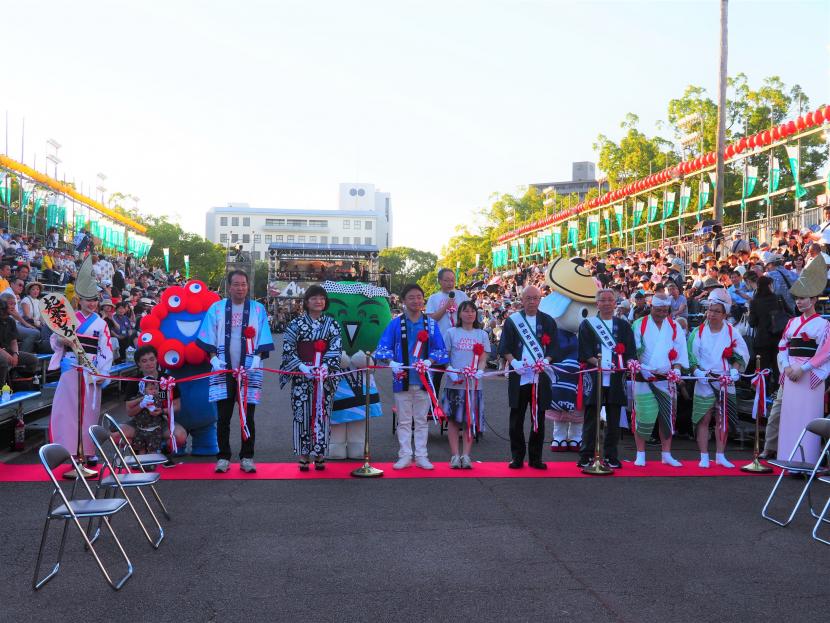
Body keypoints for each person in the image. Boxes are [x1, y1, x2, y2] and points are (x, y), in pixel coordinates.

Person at [196, 270, 275, 474]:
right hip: (223, 369)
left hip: (249, 370)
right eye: (236, 284)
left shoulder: (258, 309)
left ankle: (247, 456)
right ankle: (223, 457)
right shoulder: (217, 308)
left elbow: (263, 335)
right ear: (229, 287)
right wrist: (213, 358)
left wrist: (258, 356)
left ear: (248, 286)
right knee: (223, 416)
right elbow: (209, 334)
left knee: (248, 416)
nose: (240, 288)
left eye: (243, 284)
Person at [375, 283, 448, 470]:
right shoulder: (395, 324)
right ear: (403, 301)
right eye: (411, 297)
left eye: (419, 297)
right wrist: (392, 363)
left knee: (422, 420)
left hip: (424, 379)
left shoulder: (431, 324)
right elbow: (383, 348)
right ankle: (405, 455)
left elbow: (440, 350)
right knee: (404, 420)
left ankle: (422, 455)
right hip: (402, 378)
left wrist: (430, 361)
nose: (416, 300)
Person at [47, 257, 113, 464]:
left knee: (89, 411)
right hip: (70, 366)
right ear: (80, 300)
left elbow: (106, 349)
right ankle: (70, 452)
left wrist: (102, 372)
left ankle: (88, 451)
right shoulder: (69, 318)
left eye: (94, 300)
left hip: (91, 369)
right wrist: (60, 339)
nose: (92, 303)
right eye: (87, 300)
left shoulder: (101, 324)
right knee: (68, 411)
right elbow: (54, 340)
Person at [280, 285, 342, 470]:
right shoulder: (296, 324)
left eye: (322, 298)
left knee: (323, 413)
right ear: (306, 301)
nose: (318, 301)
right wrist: (300, 366)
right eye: (314, 298)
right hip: (302, 376)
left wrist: (325, 366)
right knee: (301, 414)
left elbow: (336, 348)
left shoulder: (332, 324)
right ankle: (304, 454)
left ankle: (320, 454)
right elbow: (288, 348)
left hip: (323, 377)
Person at [776, 254, 830, 465]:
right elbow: (782, 346)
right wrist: (787, 367)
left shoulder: (823, 325)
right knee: (789, 417)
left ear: (815, 299)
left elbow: (826, 351)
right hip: (792, 373)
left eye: (804, 297)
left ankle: (806, 461)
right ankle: (787, 459)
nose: (799, 301)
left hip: (808, 375)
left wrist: (804, 368)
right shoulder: (791, 322)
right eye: (797, 298)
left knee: (807, 418)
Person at [497, 285, 558, 470]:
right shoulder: (512, 321)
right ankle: (517, 456)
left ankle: (535, 457)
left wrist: (546, 360)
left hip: (540, 377)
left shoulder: (548, 321)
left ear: (540, 300)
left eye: (535, 298)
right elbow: (504, 346)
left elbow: (555, 347)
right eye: (528, 298)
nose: (532, 302)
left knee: (538, 418)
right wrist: (513, 362)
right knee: (516, 418)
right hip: (520, 376)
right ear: (522, 300)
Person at [687, 289, 750, 468]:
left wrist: (735, 370)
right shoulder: (697, 332)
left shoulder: (732, 332)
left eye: (716, 311)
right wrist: (696, 371)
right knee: (704, 419)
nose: (712, 314)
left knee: (722, 419)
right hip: (704, 380)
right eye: (710, 310)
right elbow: (690, 356)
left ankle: (721, 455)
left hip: (724, 381)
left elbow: (741, 354)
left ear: (724, 314)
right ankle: (704, 456)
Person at [577, 288, 637, 470]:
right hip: (595, 375)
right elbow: (584, 351)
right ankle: (586, 455)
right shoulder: (587, 325)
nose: (607, 303)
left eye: (610, 300)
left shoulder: (623, 325)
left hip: (616, 377)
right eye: (603, 300)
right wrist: (600, 363)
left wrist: (628, 363)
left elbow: (630, 351)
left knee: (614, 418)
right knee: (591, 418)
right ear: (597, 303)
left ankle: (611, 456)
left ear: (615, 302)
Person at [630, 294, 688, 467]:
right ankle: (640, 453)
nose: (662, 313)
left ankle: (666, 454)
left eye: (665, 310)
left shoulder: (674, 325)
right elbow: (635, 349)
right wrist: (642, 368)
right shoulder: (639, 324)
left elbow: (679, 350)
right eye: (658, 310)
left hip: (666, 377)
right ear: (651, 307)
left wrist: (677, 369)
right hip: (643, 376)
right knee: (643, 415)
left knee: (667, 417)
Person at [120, 345, 186, 465]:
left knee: (180, 436)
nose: (149, 363)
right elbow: (129, 412)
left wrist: (161, 411)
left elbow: (177, 406)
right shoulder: (134, 382)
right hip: (139, 423)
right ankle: (138, 450)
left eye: (151, 359)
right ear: (138, 364)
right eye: (144, 361)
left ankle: (163, 450)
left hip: (161, 421)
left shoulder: (167, 380)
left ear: (157, 360)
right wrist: (143, 402)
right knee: (117, 435)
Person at [442, 300, 488, 469]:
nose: (470, 314)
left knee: (470, 420)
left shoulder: (481, 334)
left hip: (474, 385)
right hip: (454, 384)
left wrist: (480, 370)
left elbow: (483, 358)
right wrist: (450, 370)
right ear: (459, 314)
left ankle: (466, 456)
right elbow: (444, 356)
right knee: (453, 421)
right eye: (466, 311)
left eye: (472, 311)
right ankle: (455, 455)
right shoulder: (451, 332)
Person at [425, 268, 469, 393]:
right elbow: (431, 319)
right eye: (447, 280)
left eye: (452, 280)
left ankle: (454, 409)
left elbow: (470, 314)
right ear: (439, 281)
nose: (450, 283)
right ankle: (432, 409)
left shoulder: (462, 295)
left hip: (458, 343)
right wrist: (446, 307)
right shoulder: (434, 298)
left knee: (457, 377)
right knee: (435, 379)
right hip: (439, 344)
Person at [747, 276, 786, 390]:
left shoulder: (754, 301)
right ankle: (779, 394)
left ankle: (762, 396)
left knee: (762, 370)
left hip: (762, 340)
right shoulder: (778, 298)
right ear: (769, 285)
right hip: (778, 339)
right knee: (778, 368)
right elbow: (788, 313)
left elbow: (752, 323)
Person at [0, 297, 37, 387]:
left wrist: (16, 354)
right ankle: (1, 389)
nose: (13, 307)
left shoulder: (11, 321)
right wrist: (4, 353)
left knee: (33, 360)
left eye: (14, 304)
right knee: (3, 362)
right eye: (10, 304)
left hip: (7, 350)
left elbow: (13, 341)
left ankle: (16, 379)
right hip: (1, 352)